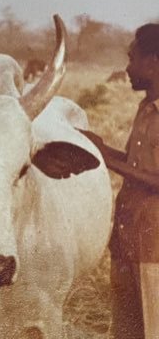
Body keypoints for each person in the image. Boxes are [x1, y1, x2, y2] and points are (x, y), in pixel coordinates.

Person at [80, 23, 159, 339]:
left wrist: (105, 158)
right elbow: (133, 163)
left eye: (133, 58)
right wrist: (96, 145)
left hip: (154, 247)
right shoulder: (144, 109)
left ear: (154, 61)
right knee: (126, 329)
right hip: (128, 238)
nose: (127, 67)